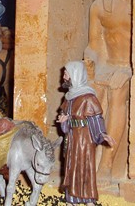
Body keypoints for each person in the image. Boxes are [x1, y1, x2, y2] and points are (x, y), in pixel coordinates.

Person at [83, 0, 132, 180]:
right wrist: (90, 63)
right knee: (89, 94)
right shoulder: (100, 7)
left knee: (117, 92)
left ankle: (107, 162)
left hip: (128, 68)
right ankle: (86, 158)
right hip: (107, 64)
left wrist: (129, 70)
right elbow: (94, 45)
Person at [57, 61, 115, 205]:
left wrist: (102, 134)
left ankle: (88, 199)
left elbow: (96, 119)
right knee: (71, 167)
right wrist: (64, 120)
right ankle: (72, 198)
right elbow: (66, 118)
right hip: (72, 138)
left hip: (84, 140)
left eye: (66, 74)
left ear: (75, 75)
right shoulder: (68, 98)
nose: (64, 77)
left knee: (84, 167)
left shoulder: (88, 98)